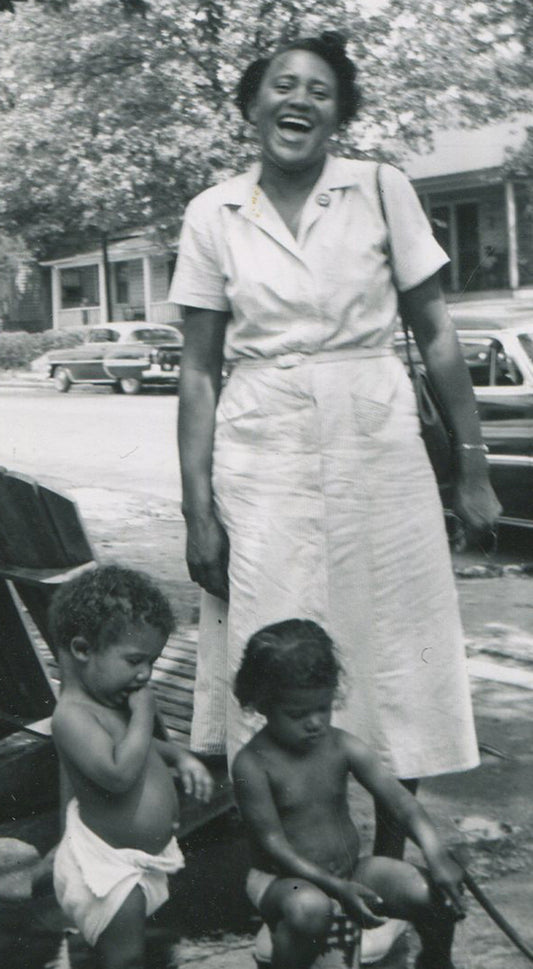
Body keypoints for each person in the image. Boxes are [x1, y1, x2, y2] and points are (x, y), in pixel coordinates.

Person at [170, 29, 500, 958]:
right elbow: (197, 371)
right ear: (251, 105)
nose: (300, 100)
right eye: (282, 85)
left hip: (376, 444)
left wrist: (472, 463)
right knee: (276, 658)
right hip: (262, 452)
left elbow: (435, 330)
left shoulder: (381, 188)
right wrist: (197, 508)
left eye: (320, 89)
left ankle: (393, 881)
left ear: (339, 112)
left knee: (396, 657)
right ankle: (293, 894)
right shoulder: (213, 212)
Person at [232, 619, 465, 969]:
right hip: (282, 883)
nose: (315, 722)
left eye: (323, 708)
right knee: (310, 907)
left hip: (349, 871)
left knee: (433, 892)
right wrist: (335, 888)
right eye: (297, 714)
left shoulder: (340, 745)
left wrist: (436, 855)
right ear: (262, 703)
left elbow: (402, 803)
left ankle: (435, 962)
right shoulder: (253, 763)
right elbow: (274, 845)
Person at [49, 564, 213, 969]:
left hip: (135, 861)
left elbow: (140, 745)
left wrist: (179, 756)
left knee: (123, 953)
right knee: (125, 959)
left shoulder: (107, 700)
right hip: (107, 868)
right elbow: (117, 774)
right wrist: (144, 713)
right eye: (135, 660)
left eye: (151, 662)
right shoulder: (71, 715)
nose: (145, 675)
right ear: (82, 650)